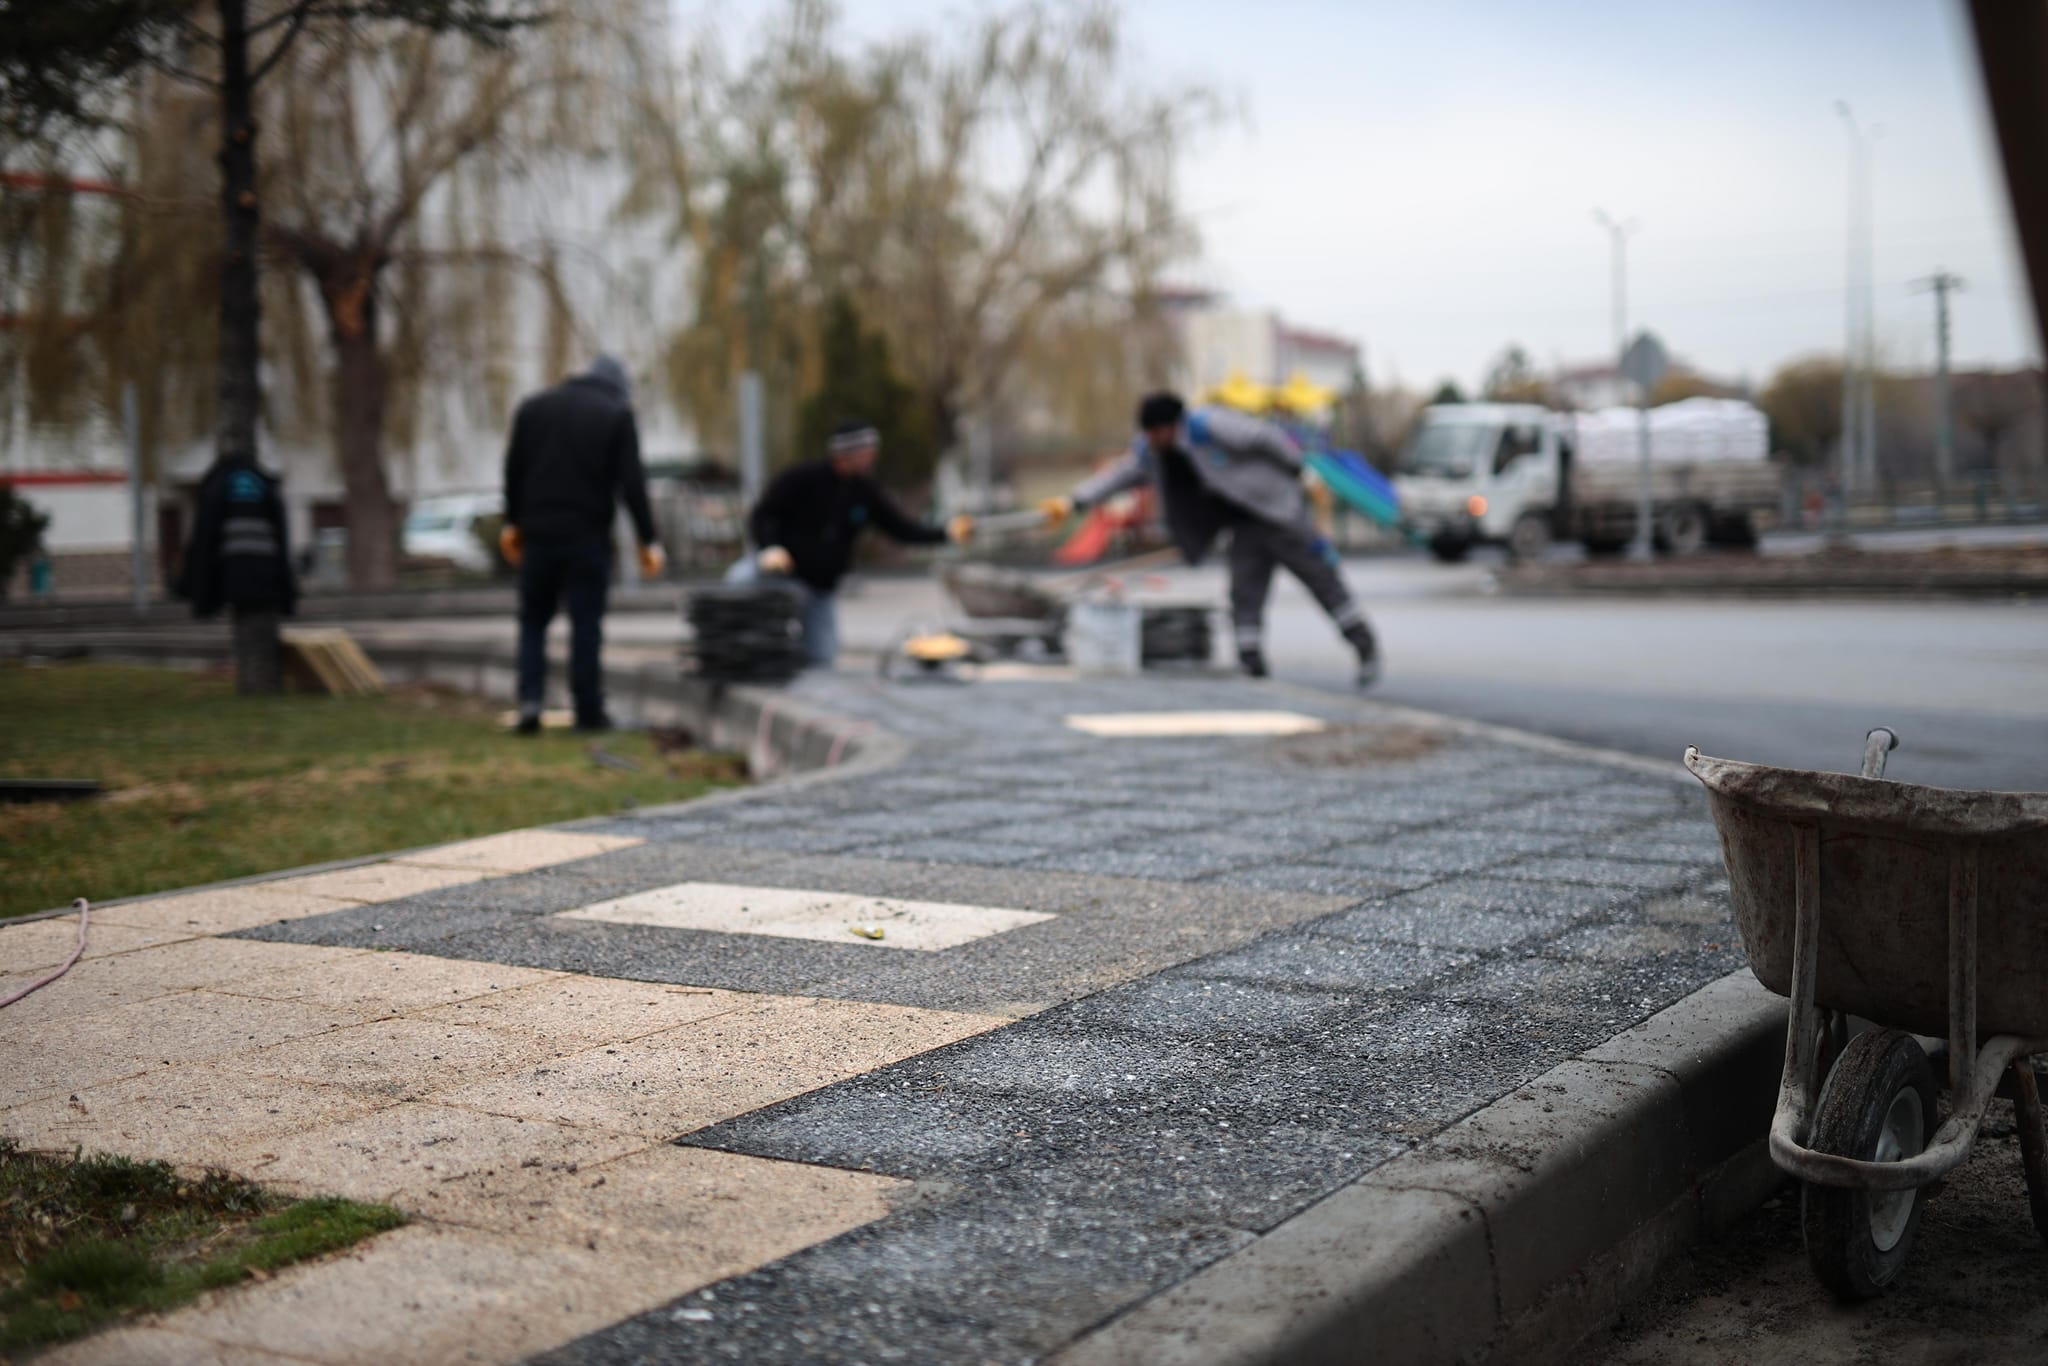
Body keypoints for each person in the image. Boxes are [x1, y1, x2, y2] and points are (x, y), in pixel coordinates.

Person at [1044, 391, 1380, 685]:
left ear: (1168, 426)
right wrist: (1075, 501)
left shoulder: (1210, 426)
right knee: (1244, 593)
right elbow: (1123, 474)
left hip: (1279, 513)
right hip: (1244, 524)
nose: (1149, 440)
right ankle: (1252, 665)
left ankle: (1364, 646)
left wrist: (1299, 470)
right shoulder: (1153, 452)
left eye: (1153, 433)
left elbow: (1265, 438)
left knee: (1321, 579)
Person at [499, 354, 663, 733]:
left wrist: (513, 522)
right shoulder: (616, 414)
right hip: (586, 536)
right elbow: (632, 484)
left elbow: (513, 472)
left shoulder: (532, 408)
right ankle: (587, 711)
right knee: (586, 624)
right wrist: (649, 539)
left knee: (533, 621)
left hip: (537, 536)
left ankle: (530, 700)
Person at [732, 421, 972, 666]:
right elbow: (762, 515)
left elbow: (901, 529)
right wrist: (770, 548)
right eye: (867, 451)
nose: (872, 457)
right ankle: (733, 653)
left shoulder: (865, 493)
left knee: (823, 657)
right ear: (848, 453)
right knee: (739, 582)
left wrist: (946, 533)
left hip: (819, 588)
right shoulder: (802, 478)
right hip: (782, 573)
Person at [176, 455, 298, 694]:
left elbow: (204, 540)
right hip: (267, 576)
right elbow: (282, 539)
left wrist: (197, 593)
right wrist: (287, 594)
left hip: (232, 576)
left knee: (247, 625)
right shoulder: (265, 485)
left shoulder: (217, 485)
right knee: (261, 629)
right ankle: (263, 676)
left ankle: (254, 677)